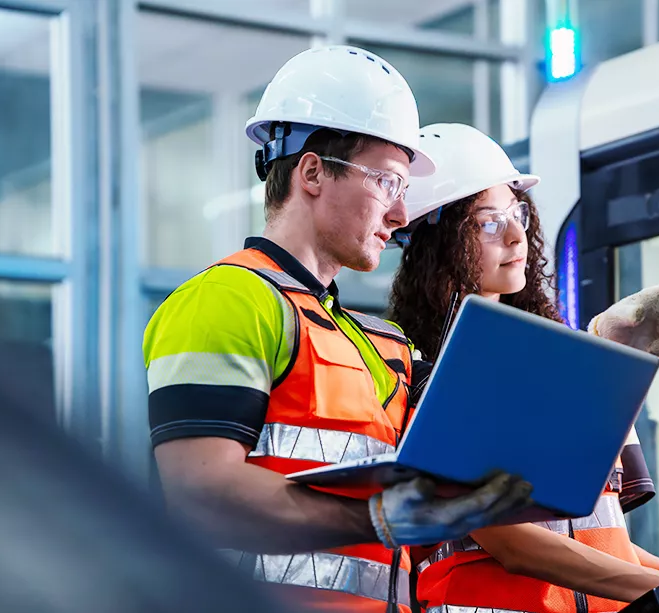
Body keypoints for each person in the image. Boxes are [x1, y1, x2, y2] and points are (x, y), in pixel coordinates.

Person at [142, 48, 533, 613]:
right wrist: (376, 519)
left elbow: (504, 403)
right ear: (313, 172)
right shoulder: (227, 300)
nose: (400, 216)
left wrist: (611, 343)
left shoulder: (376, 341)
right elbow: (200, 495)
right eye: (388, 182)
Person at [387, 123, 659, 613]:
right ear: (433, 244)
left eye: (517, 213)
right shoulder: (421, 379)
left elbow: (606, 547)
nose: (518, 236)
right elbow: (515, 546)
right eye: (489, 222)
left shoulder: (554, 373)